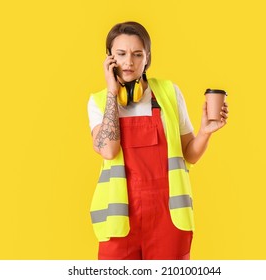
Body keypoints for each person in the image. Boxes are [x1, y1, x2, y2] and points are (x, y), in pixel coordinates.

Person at [87, 21, 229, 260]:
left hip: (169, 218)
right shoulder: (99, 102)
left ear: (147, 58)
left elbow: (188, 154)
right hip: (119, 221)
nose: (129, 62)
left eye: (137, 54)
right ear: (109, 59)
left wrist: (206, 131)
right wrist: (112, 92)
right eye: (121, 54)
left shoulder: (169, 93)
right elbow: (108, 150)